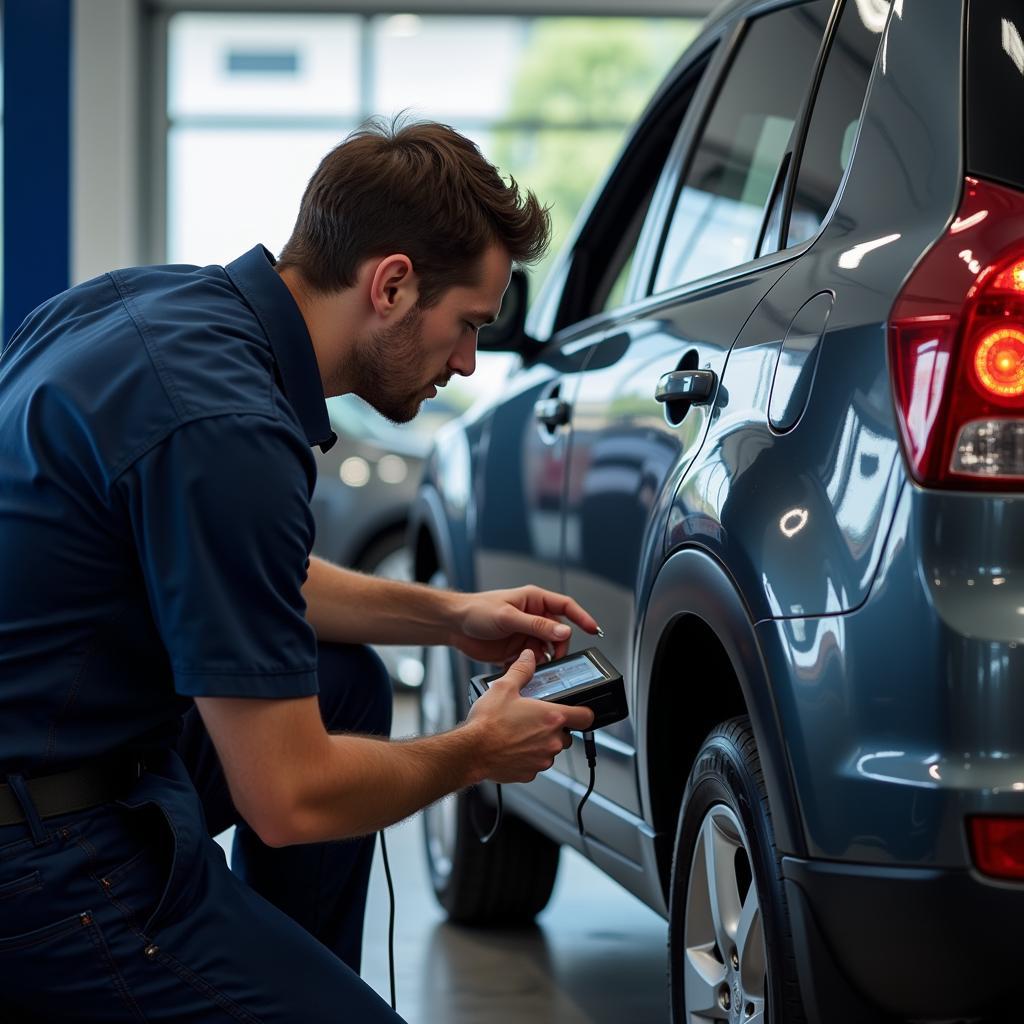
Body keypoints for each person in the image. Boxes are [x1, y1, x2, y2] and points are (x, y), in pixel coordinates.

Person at [0, 118, 597, 1022]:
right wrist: (476, 752)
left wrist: (449, 615)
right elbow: (288, 799)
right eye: (468, 325)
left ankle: (261, 976)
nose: (469, 362)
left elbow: (246, 573)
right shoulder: (227, 426)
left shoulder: (145, 307)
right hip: (43, 856)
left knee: (341, 682)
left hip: (67, 753)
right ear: (391, 284)